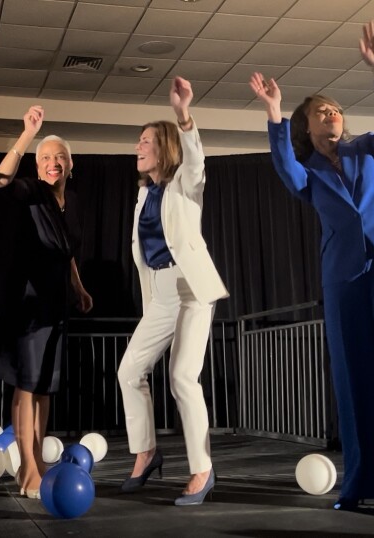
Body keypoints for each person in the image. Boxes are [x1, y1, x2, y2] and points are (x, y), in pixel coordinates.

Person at [250, 21, 374, 516]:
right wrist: (274, 114)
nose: (331, 113)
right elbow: (284, 168)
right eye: (320, 111)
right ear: (308, 130)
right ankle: (359, 481)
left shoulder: (369, 150)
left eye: (334, 108)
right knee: (353, 374)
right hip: (345, 275)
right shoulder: (309, 174)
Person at [116, 77, 229, 506]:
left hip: (190, 288)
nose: (137, 147)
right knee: (129, 372)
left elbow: (197, 161)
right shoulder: (144, 194)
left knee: (183, 376)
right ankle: (146, 453)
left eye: (144, 141)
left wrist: (184, 115)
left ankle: (202, 469)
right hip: (161, 292)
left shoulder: (185, 182)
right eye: (138, 141)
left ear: (163, 146)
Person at [0, 105, 93, 499]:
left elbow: (65, 252)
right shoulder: (31, 192)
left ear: (71, 165)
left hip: (56, 303)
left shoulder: (74, 205)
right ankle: (28, 466)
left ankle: (36, 460)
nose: (53, 162)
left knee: (46, 386)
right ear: (38, 167)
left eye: (59, 157)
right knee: (26, 385)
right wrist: (26, 136)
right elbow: (1, 179)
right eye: (46, 157)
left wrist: (79, 288)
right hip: (27, 303)